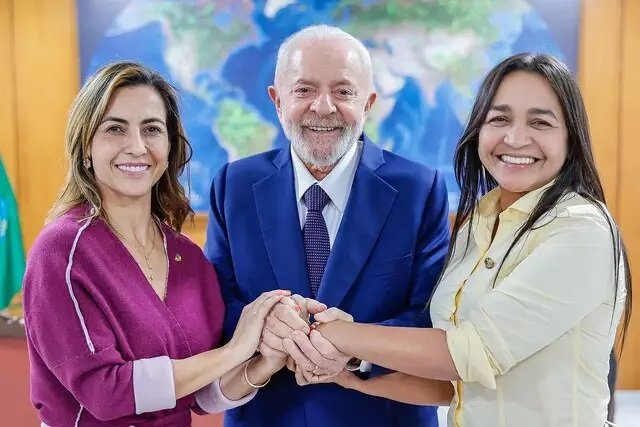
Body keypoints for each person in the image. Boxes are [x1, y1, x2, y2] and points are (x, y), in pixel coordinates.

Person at [289, 53, 632, 427]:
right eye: (499, 119)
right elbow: (455, 384)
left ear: (571, 137)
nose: (515, 138)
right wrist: (350, 375)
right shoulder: (479, 223)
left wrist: (334, 333)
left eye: (540, 122)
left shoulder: (581, 229)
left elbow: (470, 353)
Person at [204, 25, 450, 427]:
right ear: (277, 100)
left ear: (368, 104)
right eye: (304, 90)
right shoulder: (234, 186)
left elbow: (431, 317)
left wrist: (357, 349)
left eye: (343, 91)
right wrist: (264, 329)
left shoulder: (420, 190)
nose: (323, 107)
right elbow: (215, 306)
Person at [23, 61, 291, 426]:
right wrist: (235, 350)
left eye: (151, 129)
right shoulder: (61, 251)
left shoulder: (188, 258)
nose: (137, 147)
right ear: (86, 145)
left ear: (169, 147)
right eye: (115, 129)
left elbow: (201, 393)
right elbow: (107, 393)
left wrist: (263, 362)